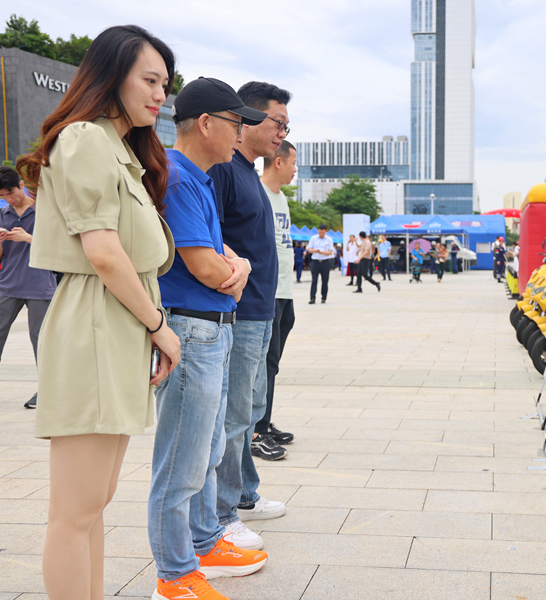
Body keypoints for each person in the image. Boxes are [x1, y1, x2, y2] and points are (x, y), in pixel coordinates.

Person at [18, 26, 181, 600]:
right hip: (96, 320)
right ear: (111, 75)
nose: (161, 94)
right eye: (150, 80)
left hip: (114, 322)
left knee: (94, 504)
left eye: (166, 83)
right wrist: (161, 329)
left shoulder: (119, 146)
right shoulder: (85, 138)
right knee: (74, 510)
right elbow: (105, 254)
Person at [150, 76, 268, 599]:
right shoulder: (177, 177)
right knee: (181, 459)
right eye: (236, 122)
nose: (241, 132)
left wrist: (233, 266)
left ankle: (203, 541)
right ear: (205, 124)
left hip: (212, 330)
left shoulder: (200, 178)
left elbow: (230, 257)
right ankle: (174, 574)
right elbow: (207, 266)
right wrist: (231, 268)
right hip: (191, 330)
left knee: (207, 447)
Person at [207, 81, 292, 553]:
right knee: (235, 415)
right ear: (249, 118)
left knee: (250, 411)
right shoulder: (225, 171)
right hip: (238, 311)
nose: (282, 133)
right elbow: (209, 237)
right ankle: (222, 515)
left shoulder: (251, 175)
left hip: (261, 309)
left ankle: (244, 492)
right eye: (278, 123)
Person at [0, 166, 56, 410]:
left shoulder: (46, 209)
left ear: (20, 183)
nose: (9, 198)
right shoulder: (0, 215)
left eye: (10, 192)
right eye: (2, 195)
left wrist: (28, 238)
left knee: (40, 340)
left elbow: (59, 246)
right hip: (8, 285)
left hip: (40, 284)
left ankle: (46, 392)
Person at [251, 139, 298, 463]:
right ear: (278, 162)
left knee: (272, 364)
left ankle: (264, 421)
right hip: (266, 292)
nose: (296, 169)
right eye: (293, 163)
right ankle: (255, 430)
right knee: (262, 365)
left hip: (285, 291)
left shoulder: (281, 198)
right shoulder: (259, 193)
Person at [307, 224, 335, 303]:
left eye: (322, 233)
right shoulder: (314, 238)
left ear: (326, 231)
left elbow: (330, 252)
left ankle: (323, 297)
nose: (321, 234)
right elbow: (309, 249)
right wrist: (315, 250)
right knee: (314, 281)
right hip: (315, 262)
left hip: (325, 262)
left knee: (325, 281)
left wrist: (323, 252)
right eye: (320, 233)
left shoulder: (329, 239)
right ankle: (312, 298)